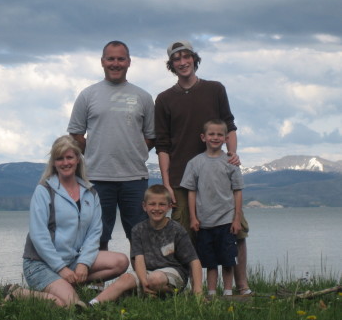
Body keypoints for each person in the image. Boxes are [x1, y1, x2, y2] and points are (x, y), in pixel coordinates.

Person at [155, 40, 251, 295]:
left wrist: (232, 154)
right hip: (181, 180)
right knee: (186, 233)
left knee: (237, 229)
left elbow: (229, 125)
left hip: (220, 174)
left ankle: (241, 286)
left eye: (187, 57)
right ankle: (192, 288)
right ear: (171, 65)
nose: (183, 62)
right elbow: (162, 146)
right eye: (177, 59)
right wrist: (166, 185)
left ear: (194, 60)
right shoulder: (164, 99)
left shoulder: (215, 89)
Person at [18, 135, 129, 308]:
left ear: (78, 159)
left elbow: (94, 233)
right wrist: (61, 269)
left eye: (69, 157)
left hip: (73, 259)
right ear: (54, 163)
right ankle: (17, 293)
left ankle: (69, 283)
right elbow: (38, 236)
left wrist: (83, 264)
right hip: (41, 263)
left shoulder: (90, 193)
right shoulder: (44, 190)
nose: (65, 163)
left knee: (120, 262)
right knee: (68, 304)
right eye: (59, 158)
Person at [68, 40, 155, 251]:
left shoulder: (143, 97)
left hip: (134, 178)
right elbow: (76, 133)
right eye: (111, 59)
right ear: (102, 62)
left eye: (120, 59)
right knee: (98, 235)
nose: (115, 63)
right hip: (98, 177)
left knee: (140, 235)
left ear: (129, 62)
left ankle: (144, 281)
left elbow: (151, 136)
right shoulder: (87, 95)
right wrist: (97, 152)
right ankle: (98, 282)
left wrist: (133, 151)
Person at [87, 184, 202, 305]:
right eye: (152, 204)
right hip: (147, 272)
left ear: (169, 207)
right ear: (144, 206)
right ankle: (93, 304)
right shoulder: (138, 230)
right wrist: (143, 281)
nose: (157, 208)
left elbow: (194, 261)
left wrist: (198, 291)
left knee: (155, 279)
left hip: (174, 274)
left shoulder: (177, 230)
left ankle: (146, 295)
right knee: (126, 279)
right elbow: (139, 259)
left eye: (162, 204)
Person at [180, 119, 243, 296]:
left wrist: (237, 218)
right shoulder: (195, 163)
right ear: (203, 137)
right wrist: (193, 217)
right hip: (205, 222)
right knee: (210, 261)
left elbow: (238, 191)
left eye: (219, 134)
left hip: (226, 220)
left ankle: (229, 292)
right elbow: (191, 192)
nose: (215, 137)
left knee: (228, 260)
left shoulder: (231, 162)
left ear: (225, 138)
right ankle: (212, 292)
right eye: (211, 134)